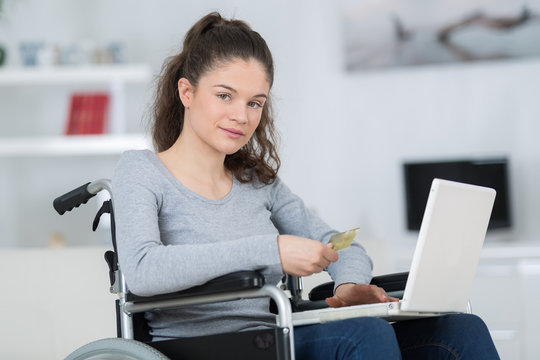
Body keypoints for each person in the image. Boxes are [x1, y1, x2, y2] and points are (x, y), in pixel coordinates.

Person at [112, 11, 500, 359]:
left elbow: (339, 243)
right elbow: (144, 270)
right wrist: (270, 249)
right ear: (187, 93)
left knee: (461, 330)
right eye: (225, 96)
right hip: (201, 346)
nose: (241, 116)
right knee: (362, 337)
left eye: (254, 103)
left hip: (276, 336)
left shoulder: (257, 182)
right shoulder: (142, 171)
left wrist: (348, 284)